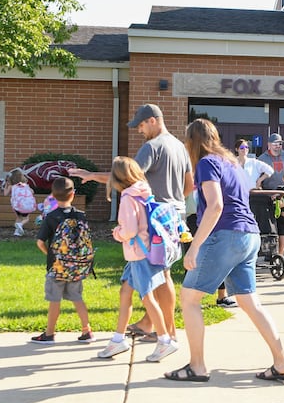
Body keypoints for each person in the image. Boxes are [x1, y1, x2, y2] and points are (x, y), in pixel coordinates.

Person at [165, 118, 284, 383]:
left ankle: (197, 367)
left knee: (189, 299)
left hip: (226, 235)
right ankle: (281, 362)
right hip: (250, 235)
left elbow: (215, 206)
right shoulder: (231, 163)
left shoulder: (207, 163)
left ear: (193, 141)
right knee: (250, 302)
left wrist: (194, 247)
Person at [70, 103, 194, 342]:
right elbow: (189, 185)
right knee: (164, 273)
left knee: (158, 276)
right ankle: (159, 327)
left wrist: (92, 176)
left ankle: (165, 332)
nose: (139, 130)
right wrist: (174, 202)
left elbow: (127, 178)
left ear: (153, 121)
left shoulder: (152, 147)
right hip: (175, 218)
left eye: (141, 125)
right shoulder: (180, 147)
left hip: (154, 220)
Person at [97, 157, 179, 362]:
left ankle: (164, 341)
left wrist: (117, 232)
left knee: (147, 297)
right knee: (125, 291)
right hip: (144, 252)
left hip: (139, 255)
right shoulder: (143, 192)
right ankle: (118, 339)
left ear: (117, 178)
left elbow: (130, 230)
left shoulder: (127, 198)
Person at [31, 177, 93, 344]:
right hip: (77, 267)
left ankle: (49, 334)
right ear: (73, 194)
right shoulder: (81, 215)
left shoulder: (51, 217)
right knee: (77, 297)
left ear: (53, 195)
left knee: (54, 300)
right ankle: (86, 331)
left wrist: (50, 255)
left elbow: (40, 242)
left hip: (57, 267)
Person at [4, 168, 35, 237]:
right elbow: (32, 192)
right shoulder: (26, 186)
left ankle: (17, 232)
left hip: (16, 206)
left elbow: (5, 194)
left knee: (18, 218)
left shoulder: (11, 186)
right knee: (26, 218)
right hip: (25, 206)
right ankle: (20, 225)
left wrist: (6, 185)